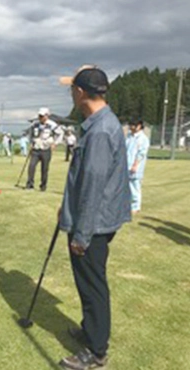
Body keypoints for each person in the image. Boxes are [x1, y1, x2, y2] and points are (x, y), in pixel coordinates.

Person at [58, 66, 131, 369]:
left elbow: (92, 187)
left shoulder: (100, 130)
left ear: (80, 92)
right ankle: (91, 331)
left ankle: (96, 350)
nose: (70, 93)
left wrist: (81, 235)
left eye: (71, 88)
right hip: (96, 218)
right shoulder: (100, 123)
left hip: (94, 223)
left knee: (92, 286)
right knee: (89, 282)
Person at [25, 107, 63, 191]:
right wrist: (31, 143)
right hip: (36, 149)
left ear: (47, 116)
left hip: (46, 149)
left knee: (44, 169)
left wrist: (55, 143)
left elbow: (60, 134)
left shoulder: (52, 125)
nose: (40, 117)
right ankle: (29, 184)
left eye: (42, 116)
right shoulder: (35, 124)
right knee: (31, 166)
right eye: (39, 115)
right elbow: (30, 134)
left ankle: (43, 186)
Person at [126, 119, 150, 214]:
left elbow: (141, 153)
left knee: (135, 186)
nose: (130, 127)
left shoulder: (143, 139)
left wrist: (135, 165)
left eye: (132, 125)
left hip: (135, 167)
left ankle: (136, 206)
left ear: (139, 126)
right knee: (126, 186)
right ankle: (127, 204)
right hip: (126, 164)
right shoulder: (129, 136)